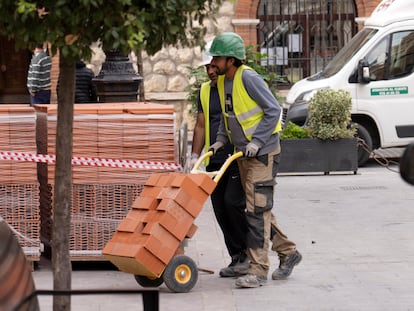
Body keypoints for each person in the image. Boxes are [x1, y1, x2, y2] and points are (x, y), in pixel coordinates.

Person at [207, 32, 302, 288]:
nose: (213, 61)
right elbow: (230, 117)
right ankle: (289, 253)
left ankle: (258, 270)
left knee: (257, 211)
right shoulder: (224, 81)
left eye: (217, 56)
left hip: (263, 154)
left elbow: (273, 110)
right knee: (255, 208)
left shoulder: (248, 77)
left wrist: (257, 141)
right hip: (242, 154)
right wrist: (219, 140)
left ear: (231, 58)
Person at [190, 45, 249, 277]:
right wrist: (195, 156)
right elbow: (200, 124)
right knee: (220, 208)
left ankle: (249, 253)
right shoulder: (204, 91)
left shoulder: (232, 87)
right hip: (215, 159)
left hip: (236, 155)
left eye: (215, 66)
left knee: (233, 203)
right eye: (208, 67)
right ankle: (236, 256)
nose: (211, 71)